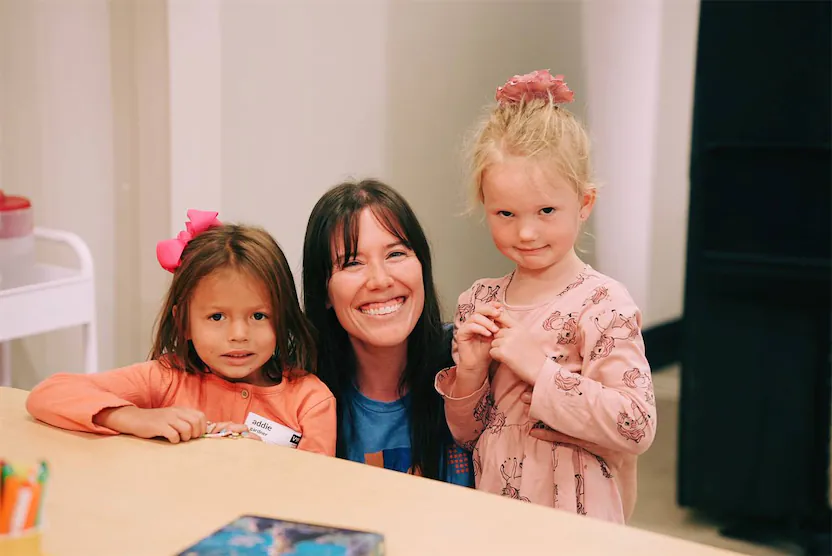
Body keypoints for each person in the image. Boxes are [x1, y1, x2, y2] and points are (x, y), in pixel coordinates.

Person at [435, 70, 656, 522]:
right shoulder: (480, 300)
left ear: (585, 203)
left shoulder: (603, 304)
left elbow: (636, 425)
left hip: (576, 523)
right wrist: (471, 372)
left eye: (547, 210)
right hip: (497, 516)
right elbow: (467, 433)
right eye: (505, 213)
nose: (527, 231)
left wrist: (540, 369)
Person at [26, 210, 336, 456]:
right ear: (184, 322)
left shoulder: (310, 401)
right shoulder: (166, 378)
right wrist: (134, 418)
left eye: (258, 315)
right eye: (217, 316)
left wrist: (261, 465)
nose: (239, 334)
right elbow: (50, 393)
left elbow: (312, 494)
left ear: (282, 318)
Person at [302, 180, 473, 485]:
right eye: (352, 262)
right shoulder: (298, 398)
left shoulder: (471, 366)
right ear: (324, 292)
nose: (380, 280)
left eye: (395, 254)